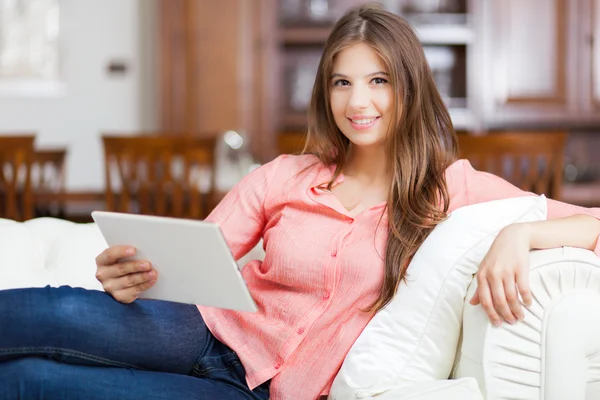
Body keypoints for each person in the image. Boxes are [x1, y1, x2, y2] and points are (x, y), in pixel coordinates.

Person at [1, 3, 600, 400]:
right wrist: (136, 273)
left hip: (253, 392)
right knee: (54, 313)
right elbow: (196, 260)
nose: (358, 101)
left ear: (408, 88)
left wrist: (517, 234)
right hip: (194, 330)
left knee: (29, 381)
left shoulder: (452, 187)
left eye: (378, 80)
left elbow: (593, 222)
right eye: (343, 81)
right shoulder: (284, 176)